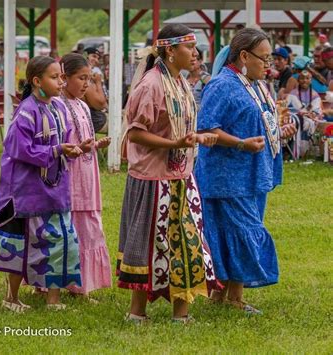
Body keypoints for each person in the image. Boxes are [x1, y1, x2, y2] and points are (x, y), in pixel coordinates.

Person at [118, 24, 220, 324]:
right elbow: (135, 134)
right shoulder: (151, 84)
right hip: (152, 180)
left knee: (185, 245)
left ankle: (181, 313)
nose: (196, 53)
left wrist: (196, 138)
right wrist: (175, 143)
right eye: (190, 47)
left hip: (180, 177)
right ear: (170, 50)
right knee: (149, 245)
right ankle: (137, 313)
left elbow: (179, 129)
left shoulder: (181, 82)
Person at [195, 28, 297, 314]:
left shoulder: (253, 85)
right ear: (243, 56)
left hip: (252, 172)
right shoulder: (223, 85)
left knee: (232, 231)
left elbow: (256, 122)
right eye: (263, 58)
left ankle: (222, 295)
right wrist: (240, 143)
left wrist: (280, 132)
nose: (268, 64)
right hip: (227, 175)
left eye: (270, 58)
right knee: (241, 231)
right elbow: (206, 126)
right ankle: (234, 298)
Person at [0, 56, 86, 312]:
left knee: (62, 241)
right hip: (26, 190)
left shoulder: (59, 108)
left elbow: (62, 143)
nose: (61, 82)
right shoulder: (26, 111)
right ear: (37, 81)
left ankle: (53, 299)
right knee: (20, 244)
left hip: (56, 187)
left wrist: (73, 149)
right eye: (55, 77)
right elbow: (19, 148)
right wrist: (56, 150)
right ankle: (11, 298)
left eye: (62, 76)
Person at [59, 53, 112, 299]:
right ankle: (71, 284)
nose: (85, 85)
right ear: (64, 77)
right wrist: (79, 147)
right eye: (81, 78)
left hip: (87, 175)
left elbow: (82, 140)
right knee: (73, 229)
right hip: (69, 178)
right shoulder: (57, 106)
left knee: (89, 228)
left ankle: (84, 283)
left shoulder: (82, 105)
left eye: (88, 80)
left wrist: (94, 146)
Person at [286, 70, 323, 159]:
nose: (304, 81)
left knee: (308, 123)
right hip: (296, 119)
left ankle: (305, 153)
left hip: (310, 120)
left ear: (311, 80)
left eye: (307, 78)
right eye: (302, 78)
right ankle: (294, 153)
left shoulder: (314, 95)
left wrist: (311, 114)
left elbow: (316, 111)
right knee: (301, 122)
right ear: (298, 80)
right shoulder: (293, 94)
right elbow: (285, 107)